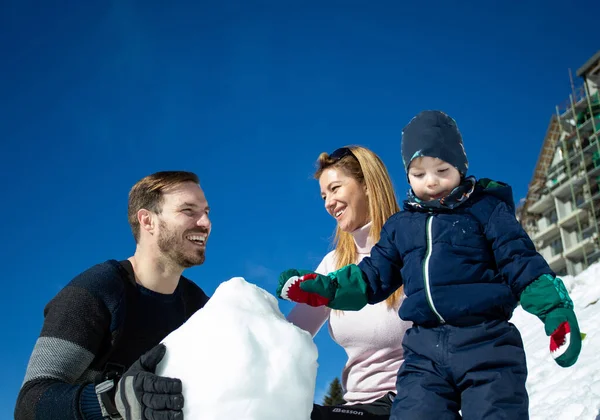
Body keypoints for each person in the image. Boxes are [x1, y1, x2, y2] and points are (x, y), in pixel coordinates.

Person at [278, 110, 582, 419]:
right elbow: (365, 281)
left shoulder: (477, 217)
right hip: (412, 369)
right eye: (420, 174)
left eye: (336, 188)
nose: (432, 182)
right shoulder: (391, 237)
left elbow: (520, 262)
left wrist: (554, 309)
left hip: (459, 357)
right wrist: (318, 288)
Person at [15, 170, 212, 420]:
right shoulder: (97, 291)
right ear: (147, 220)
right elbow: (28, 404)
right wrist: (114, 400)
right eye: (188, 211)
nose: (204, 223)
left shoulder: (200, 309)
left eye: (206, 212)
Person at [286, 146, 413, 419]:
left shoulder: (413, 251)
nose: (328, 203)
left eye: (335, 188)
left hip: (412, 403)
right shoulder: (335, 264)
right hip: (356, 408)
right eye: (323, 195)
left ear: (367, 185)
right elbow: (289, 337)